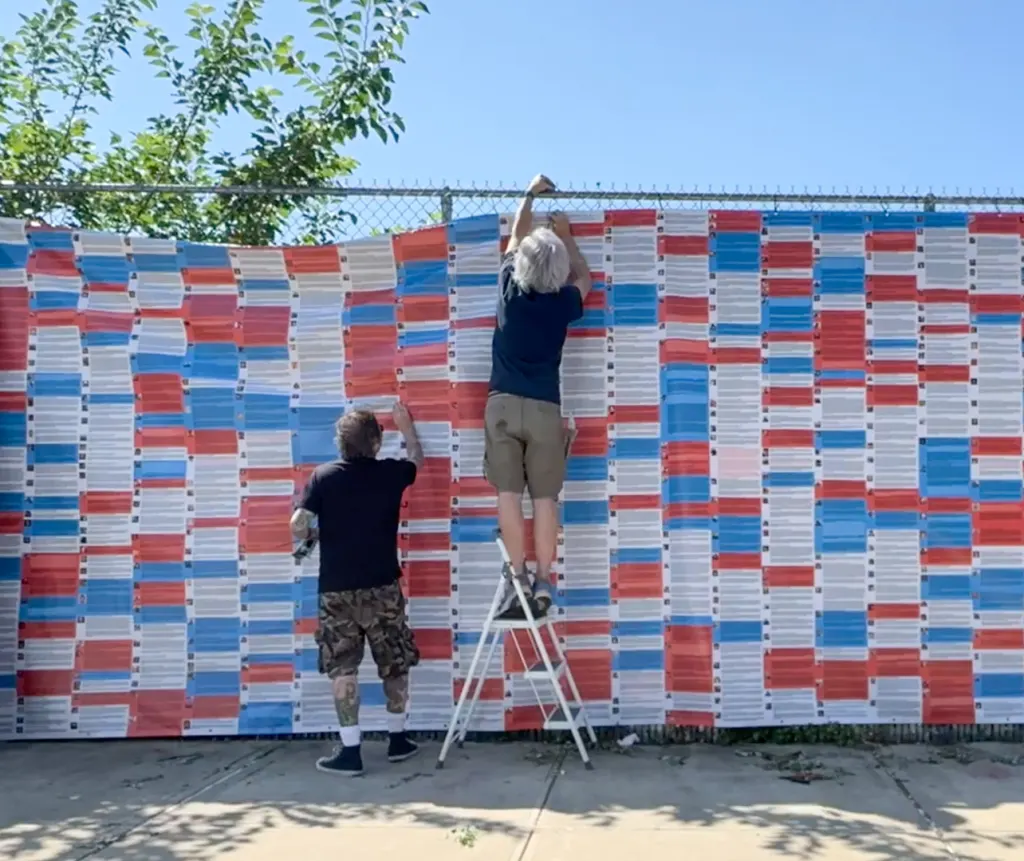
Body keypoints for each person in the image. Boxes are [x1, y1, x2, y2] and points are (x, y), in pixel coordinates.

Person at [290, 402, 425, 776]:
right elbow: (417, 459)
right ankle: (398, 740)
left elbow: (298, 523)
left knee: (342, 666)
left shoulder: (323, 476)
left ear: (340, 444)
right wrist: (407, 428)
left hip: (336, 589)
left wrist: (313, 535)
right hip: (382, 585)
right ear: (376, 442)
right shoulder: (390, 474)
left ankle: (351, 751)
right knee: (394, 660)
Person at [485, 173, 593, 619]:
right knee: (545, 498)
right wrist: (569, 239)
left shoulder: (510, 287)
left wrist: (530, 194)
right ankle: (546, 581)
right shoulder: (563, 303)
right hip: (546, 405)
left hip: (503, 404)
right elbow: (584, 277)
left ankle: (519, 579)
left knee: (508, 495)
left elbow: (515, 234)